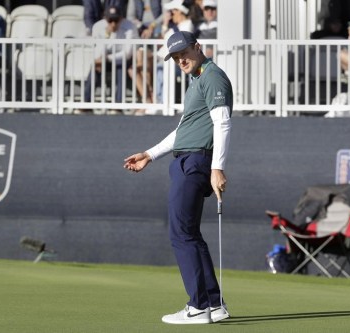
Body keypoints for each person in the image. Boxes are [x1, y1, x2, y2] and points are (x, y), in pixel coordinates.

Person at [123, 31, 232, 324]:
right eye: (174, 57)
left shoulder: (212, 77)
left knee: (181, 234)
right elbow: (182, 130)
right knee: (189, 233)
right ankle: (213, 304)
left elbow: (222, 123)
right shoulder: (198, 81)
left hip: (196, 161)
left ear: (198, 47)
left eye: (183, 52)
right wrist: (150, 154)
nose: (179, 59)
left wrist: (217, 168)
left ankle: (198, 307)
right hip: (188, 160)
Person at [79, 5, 138, 114]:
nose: (113, 23)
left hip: (121, 60)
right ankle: (85, 103)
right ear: (105, 18)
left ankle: (118, 105)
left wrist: (107, 58)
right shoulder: (98, 26)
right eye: (110, 20)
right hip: (104, 59)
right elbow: (98, 51)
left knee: (121, 67)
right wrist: (107, 34)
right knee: (95, 68)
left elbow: (127, 53)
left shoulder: (130, 26)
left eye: (116, 20)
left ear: (121, 18)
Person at [126, 0, 167, 115]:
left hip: (158, 33)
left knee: (143, 62)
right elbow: (130, 17)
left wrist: (152, 26)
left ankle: (148, 100)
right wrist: (141, 27)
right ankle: (149, 99)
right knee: (140, 59)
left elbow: (166, 12)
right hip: (140, 34)